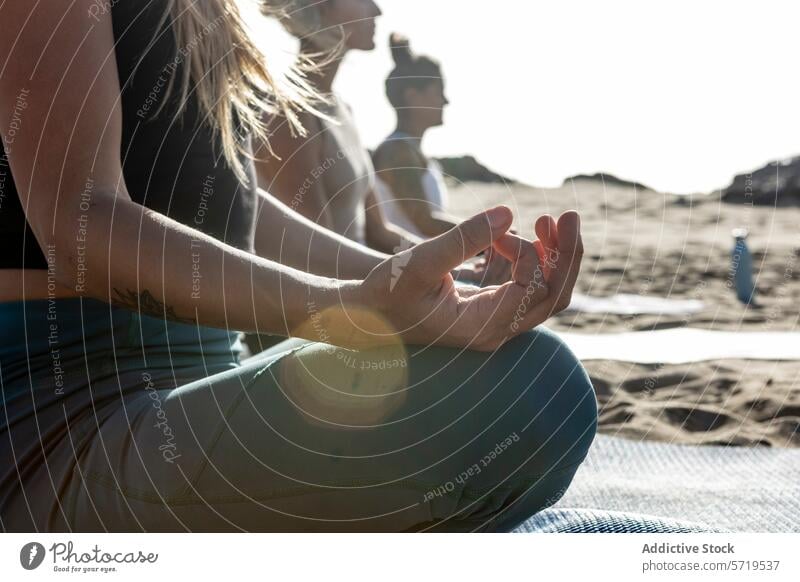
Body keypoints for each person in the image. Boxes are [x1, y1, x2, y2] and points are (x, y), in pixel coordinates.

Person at [0, 0, 596, 532]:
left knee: (516, 368)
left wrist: (440, 289)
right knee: (538, 391)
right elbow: (80, 226)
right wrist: (357, 306)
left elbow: (237, 207)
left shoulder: (217, 13)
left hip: (207, 378)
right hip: (65, 424)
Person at [372, 34, 456, 239]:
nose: (445, 101)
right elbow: (425, 222)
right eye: (438, 92)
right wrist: (489, 237)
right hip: (405, 267)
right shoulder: (398, 152)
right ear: (412, 97)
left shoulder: (408, 149)